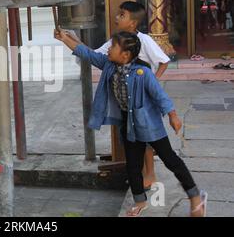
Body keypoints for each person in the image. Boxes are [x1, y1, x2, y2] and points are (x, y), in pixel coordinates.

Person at [54, 29, 208, 217]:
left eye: (113, 47)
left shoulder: (143, 73)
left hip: (149, 123)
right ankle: (140, 202)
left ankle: (195, 197)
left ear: (125, 55)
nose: (108, 49)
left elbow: (161, 97)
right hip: (128, 123)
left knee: (170, 159)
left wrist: (173, 116)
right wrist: (64, 39)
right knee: (133, 165)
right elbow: (87, 53)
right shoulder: (108, 65)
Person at [67, 1, 170, 190]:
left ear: (133, 23)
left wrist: (151, 82)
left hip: (142, 102)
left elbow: (164, 61)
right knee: (132, 138)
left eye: (121, 15)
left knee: (145, 138)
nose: (116, 17)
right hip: (126, 102)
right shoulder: (116, 42)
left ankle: (150, 174)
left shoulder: (144, 40)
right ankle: (138, 174)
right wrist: (71, 40)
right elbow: (94, 55)